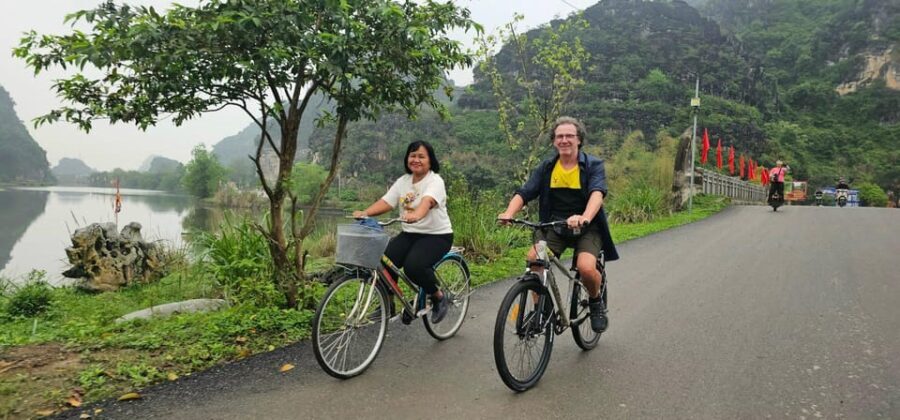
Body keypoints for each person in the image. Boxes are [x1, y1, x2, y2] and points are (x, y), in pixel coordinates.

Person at [497, 116, 619, 333]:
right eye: (559, 136)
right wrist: (509, 212)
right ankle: (541, 310)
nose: (564, 140)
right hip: (555, 226)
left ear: (579, 139)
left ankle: (595, 300)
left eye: (569, 136)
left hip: (587, 227)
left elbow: (597, 193)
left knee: (586, 268)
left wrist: (584, 217)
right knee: (535, 260)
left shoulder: (593, 165)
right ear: (554, 141)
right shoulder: (547, 167)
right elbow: (525, 192)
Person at [352, 141, 454, 323]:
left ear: (430, 160)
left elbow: (427, 201)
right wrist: (365, 213)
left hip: (437, 236)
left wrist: (417, 215)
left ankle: (438, 297)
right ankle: (387, 303)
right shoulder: (403, 181)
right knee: (384, 262)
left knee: (414, 266)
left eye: (421, 156)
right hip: (410, 234)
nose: (416, 160)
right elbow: (386, 202)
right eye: (413, 156)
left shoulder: (435, 181)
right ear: (407, 158)